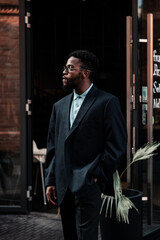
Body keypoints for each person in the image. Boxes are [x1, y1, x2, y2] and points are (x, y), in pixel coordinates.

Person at [45, 50, 127, 240]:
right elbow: (53, 146)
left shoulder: (107, 102)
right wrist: (50, 180)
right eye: (64, 68)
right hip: (63, 186)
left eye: (70, 68)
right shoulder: (59, 106)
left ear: (85, 72)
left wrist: (97, 175)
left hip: (89, 183)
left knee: (87, 237)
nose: (64, 72)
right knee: (70, 235)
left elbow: (117, 144)